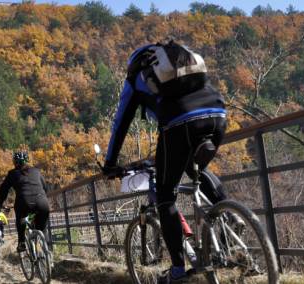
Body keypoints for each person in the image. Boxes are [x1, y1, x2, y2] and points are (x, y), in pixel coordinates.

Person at [102, 40, 239, 283]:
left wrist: (110, 164)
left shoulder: (136, 78)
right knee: (197, 169)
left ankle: (177, 271)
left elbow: (121, 122)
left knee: (165, 196)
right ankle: (230, 214)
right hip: (217, 114)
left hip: (180, 123)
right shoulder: (183, 62)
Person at [0, 151, 50, 252]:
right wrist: (42, 197)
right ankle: (48, 253)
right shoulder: (36, 171)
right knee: (43, 229)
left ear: (14, 162)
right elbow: (45, 187)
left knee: (21, 220)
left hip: (24, 203)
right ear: (27, 161)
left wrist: (0, 204)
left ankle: (21, 243)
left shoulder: (12, 173)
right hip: (42, 203)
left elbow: (3, 190)